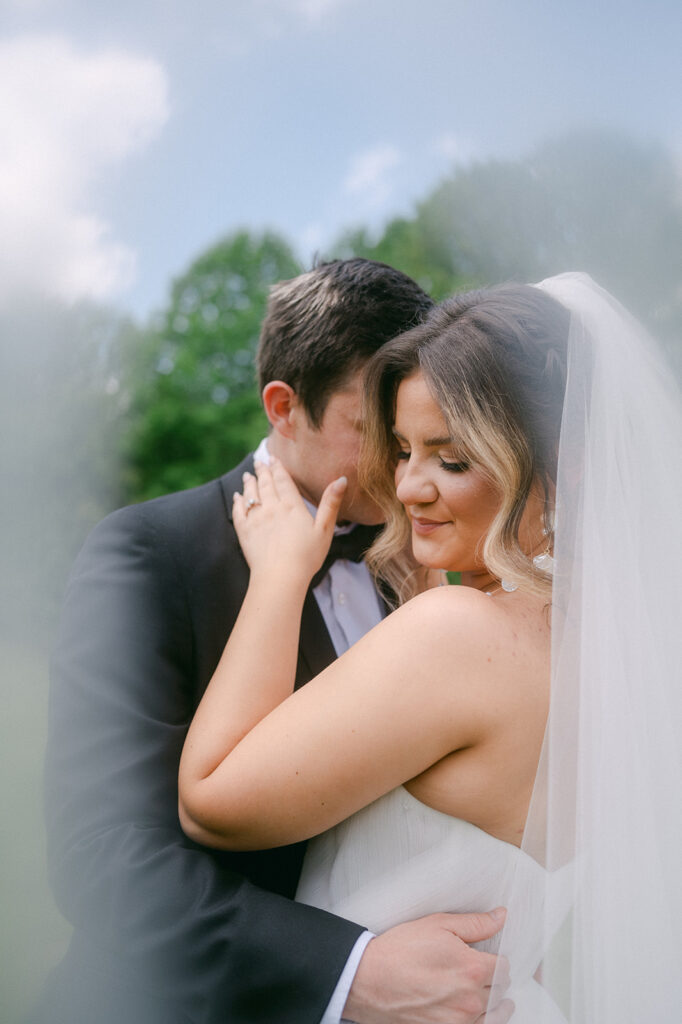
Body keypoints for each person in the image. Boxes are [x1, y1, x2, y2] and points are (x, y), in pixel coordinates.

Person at [178, 273, 682, 1022]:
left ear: (561, 463)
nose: (407, 486)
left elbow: (212, 801)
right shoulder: (625, 650)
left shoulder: (461, 633)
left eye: (451, 459)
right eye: (405, 448)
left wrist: (282, 577)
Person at [35, 258, 513, 1024]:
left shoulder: (424, 559)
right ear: (284, 407)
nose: (403, 472)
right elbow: (102, 857)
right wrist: (349, 973)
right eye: (376, 434)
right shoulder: (150, 551)